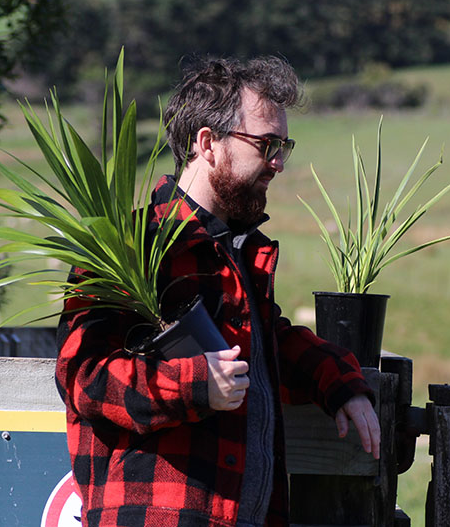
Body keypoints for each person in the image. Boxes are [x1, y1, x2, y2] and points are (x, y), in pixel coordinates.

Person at [55, 55, 381, 527]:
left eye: (283, 146)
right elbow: (84, 378)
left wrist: (339, 380)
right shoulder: (125, 248)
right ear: (207, 143)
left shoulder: (234, 251)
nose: (277, 164)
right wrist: (194, 384)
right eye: (265, 144)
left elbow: (266, 346)